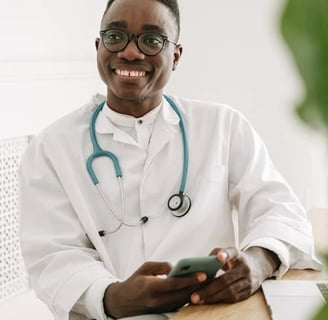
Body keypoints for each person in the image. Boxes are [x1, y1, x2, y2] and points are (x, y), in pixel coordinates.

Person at [19, 0, 322, 319]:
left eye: (152, 40)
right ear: (99, 47)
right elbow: (52, 256)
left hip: (210, 314)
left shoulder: (221, 125)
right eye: (115, 36)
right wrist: (113, 296)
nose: (131, 53)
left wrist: (258, 263)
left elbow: (280, 208)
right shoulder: (51, 147)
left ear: (175, 56)